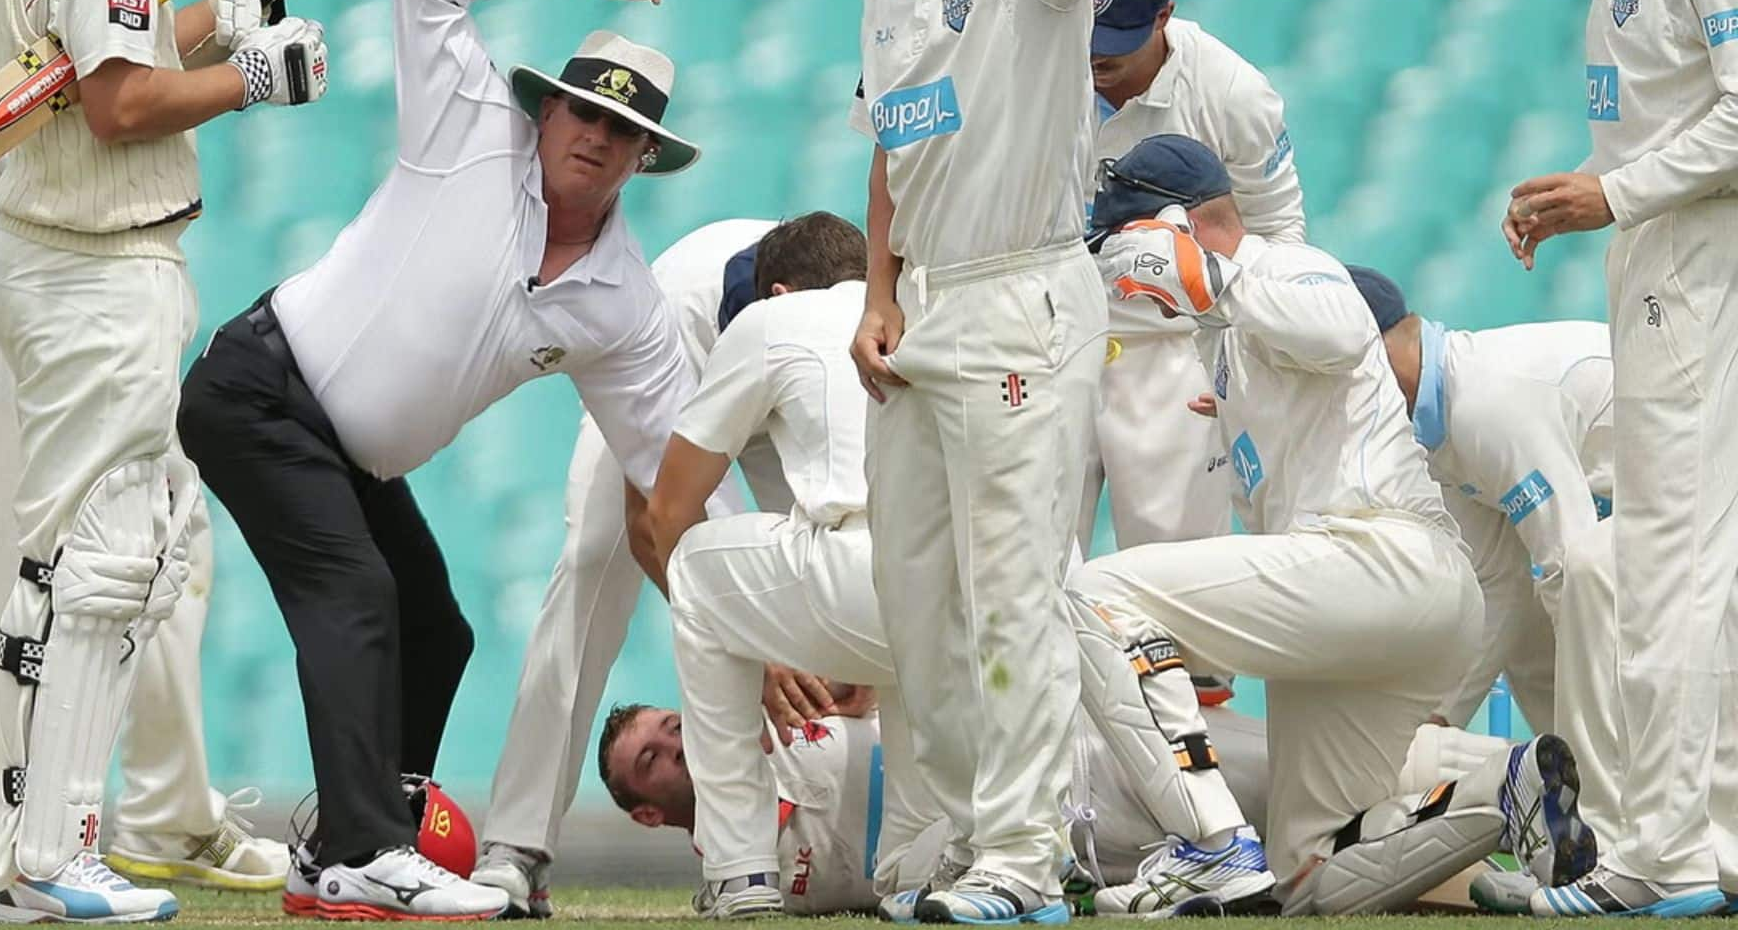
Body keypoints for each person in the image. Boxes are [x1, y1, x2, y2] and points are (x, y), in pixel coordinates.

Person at [177, 0, 696, 921]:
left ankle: (350, 845)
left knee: (437, 629)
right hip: (259, 389)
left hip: (348, 452)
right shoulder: (467, 128)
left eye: (620, 127)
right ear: (546, 109)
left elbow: (668, 478)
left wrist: (745, 631)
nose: (594, 132)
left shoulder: (624, 302)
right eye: (582, 107)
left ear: (644, 157)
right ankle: (364, 852)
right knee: (360, 591)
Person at [0, 0, 306, 910]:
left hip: (62, 228)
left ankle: (139, 819)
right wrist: (244, 78)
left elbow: (99, 56)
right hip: (25, 231)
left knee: (150, 542)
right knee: (35, 540)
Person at [1073, 135, 1593, 915]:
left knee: (1097, 592)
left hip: (1380, 558)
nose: (1123, 276)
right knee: (1309, 878)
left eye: (1123, 250)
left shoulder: (1286, 266)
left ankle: (1209, 845)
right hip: (1360, 610)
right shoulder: (1224, 337)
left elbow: (1342, 327)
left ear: (1175, 226)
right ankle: (1505, 784)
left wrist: (1205, 276)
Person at [846, 0, 1151, 920]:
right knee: (918, 602)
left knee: (1013, 593)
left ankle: (1022, 861)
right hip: (924, 311)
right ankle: (967, 843)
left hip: (1023, 294)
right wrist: (877, 292)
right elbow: (891, 143)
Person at [1503, 0, 1738, 917]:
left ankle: (1660, 856)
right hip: (1661, 255)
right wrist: (1589, 193)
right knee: (1700, 568)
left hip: (1696, 268)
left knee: (1668, 567)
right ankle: (1719, 843)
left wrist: (1616, 193)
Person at [472, 217, 792, 917]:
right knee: (592, 563)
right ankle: (517, 848)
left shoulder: (857, 331)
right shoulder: (673, 320)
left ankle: (921, 830)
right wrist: (749, 642)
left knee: (846, 572)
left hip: (784, 383)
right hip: (681, 357)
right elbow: (652, 521)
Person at [623, 213, 910, 919]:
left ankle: (740, 871)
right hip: (1002, 595)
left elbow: (662, 514)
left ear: (777, 293)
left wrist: (770, 646)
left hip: (877, 591)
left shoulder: (769, 321)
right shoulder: (925, 304)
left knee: (693, 560)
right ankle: (949, 864)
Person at [1347, 267, 1617, 915]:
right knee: (1529, 633)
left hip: (1708, 468)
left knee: (1582, 589)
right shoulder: (1437, 427)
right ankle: (1595, 836)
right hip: (1662, 495)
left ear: (1374, 350)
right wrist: (1439, 720)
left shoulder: (1485, 402)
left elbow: (1571, 562)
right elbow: (1496, 588)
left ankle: (1626, 845)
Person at [595, 704, 1271, 918]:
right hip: (1081, 847)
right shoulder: (737, 894)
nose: (675, 748)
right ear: (648, 815)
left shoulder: (781, 705)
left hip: (1090, 746)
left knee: (1291, 783)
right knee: (1298, 875)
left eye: (673, 727)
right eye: (650, 761)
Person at [1083, 0, 1304, 554]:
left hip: (1173, 351)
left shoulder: (1233, 93)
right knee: (1031, 572)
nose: (1095, 64)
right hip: (1059, 335)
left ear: (1163, 17)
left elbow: (1278, 235)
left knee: (1174, 576)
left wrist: (1252, 363)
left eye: (1112, 50)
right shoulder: (1043, 65)